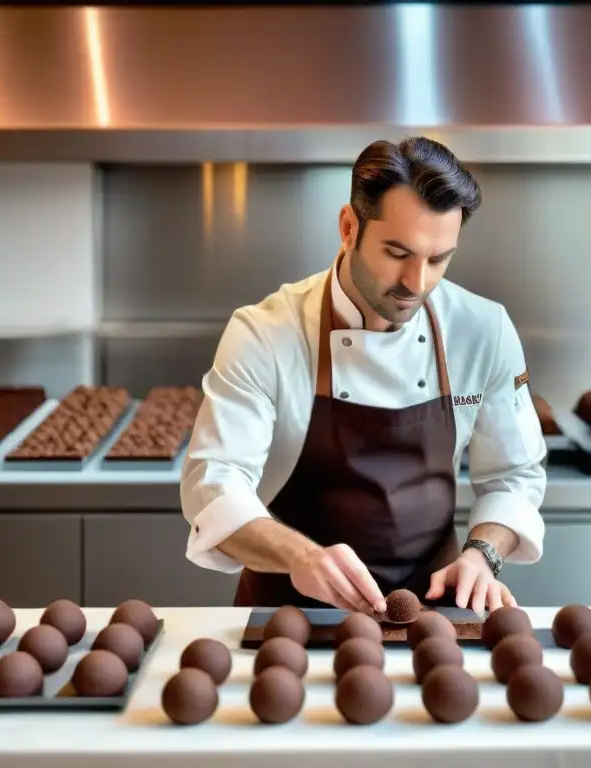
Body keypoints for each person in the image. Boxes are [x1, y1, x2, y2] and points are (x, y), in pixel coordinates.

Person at [180, 136, 547, 616]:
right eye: (398, 252)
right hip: (290, 617)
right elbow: (214, 480)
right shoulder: (265, 333)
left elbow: (514, 475)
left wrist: (483, 555)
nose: (417, 283)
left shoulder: (484, 329)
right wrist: (301, 556)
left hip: (434, 613)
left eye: (438, 259)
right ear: (349, 227)